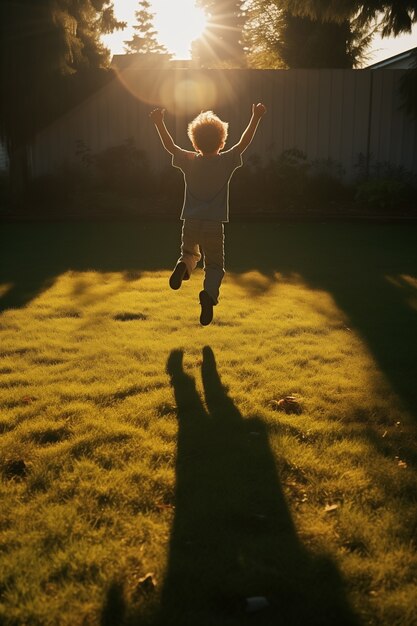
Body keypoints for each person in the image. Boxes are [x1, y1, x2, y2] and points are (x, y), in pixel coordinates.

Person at [149, 103, 266, 325]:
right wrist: (256, 117)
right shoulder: (225, 161)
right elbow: (244, 143)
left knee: (190, 253)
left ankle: (184, 264)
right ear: (222, 142)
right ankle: (208, 294)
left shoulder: (190, 160)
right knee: (214, 266)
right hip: (214, 224)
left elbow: (170, 146)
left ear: (194, 143)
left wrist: (159, 123)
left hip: (191, 221)